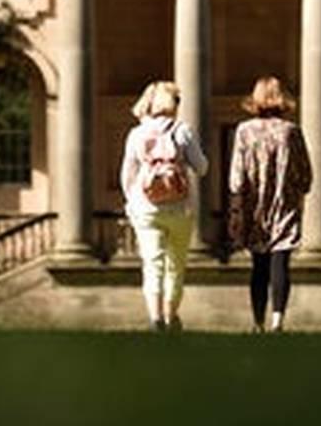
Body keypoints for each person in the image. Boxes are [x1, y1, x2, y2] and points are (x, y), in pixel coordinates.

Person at [120, 80, 208, 332]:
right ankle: (171, 317)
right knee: (175, 265)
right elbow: (202, 168)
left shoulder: (136, 134)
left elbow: (127, 173)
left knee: (152, 263)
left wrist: (132, 202)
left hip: (145, 208)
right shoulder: (182, 130)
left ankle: (155, 318)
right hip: (180, 209)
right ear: (173, 104)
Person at [227, 76, 311, 333]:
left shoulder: (244, 130)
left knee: (259, 265)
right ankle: (277, 320)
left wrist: (238, 201)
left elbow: (236, 175)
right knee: (280, 261)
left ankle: (257, 321)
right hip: (284, 203)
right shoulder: (290, 131)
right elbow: (305, 173)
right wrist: (297, 190)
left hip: (254, 205)